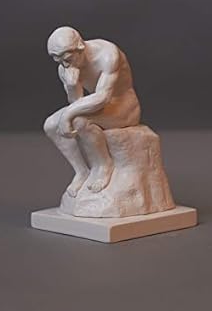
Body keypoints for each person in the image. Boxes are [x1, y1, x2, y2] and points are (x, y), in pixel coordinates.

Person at [43, 26, 141, 196]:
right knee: (50, 125)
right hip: (96, 107)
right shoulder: (65, 67)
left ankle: (104, 166)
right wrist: (72, 87)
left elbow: (103, 97)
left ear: (80, 47)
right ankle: (81, 171)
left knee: (79, 121)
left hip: (124, 107)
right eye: (59, 61)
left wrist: (67, 115)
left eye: (67, 59)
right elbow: (77, 103)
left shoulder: (107, 55)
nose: (64, 64)